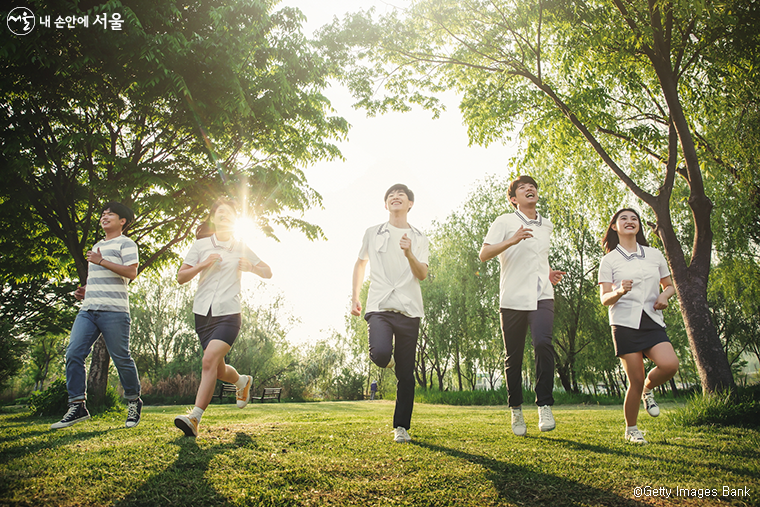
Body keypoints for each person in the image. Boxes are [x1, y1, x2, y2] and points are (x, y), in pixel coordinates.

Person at [173, 198, 272, 437]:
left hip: (229, 314)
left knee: (208, 361)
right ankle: (241, 382)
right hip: (203, 315)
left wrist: (252, 268)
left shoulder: (241, 246)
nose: (224, 216)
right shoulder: (200, 245)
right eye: (219, 213)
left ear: (235, 219)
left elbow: (268, 271)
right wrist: (202, 265)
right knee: (216, 369)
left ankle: (194, 418)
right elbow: (181, 276)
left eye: (228, 213)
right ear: (213, 219)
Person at [479, 176, 565, 437]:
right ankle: (516, 409)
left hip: (541, 294)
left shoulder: (546, 225)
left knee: (543, 343)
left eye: (533, 186)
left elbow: (539, 256)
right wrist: (512, 240)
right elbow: (484, 254)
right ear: (513, 198)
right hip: (513, 298)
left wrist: (548, 273)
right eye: (522, 188)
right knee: (513, 357)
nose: (530, 189)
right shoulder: (504, 221)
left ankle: (544, 405)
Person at [52, 202, 143, 429]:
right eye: (103, 213)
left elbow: (132, 272)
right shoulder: (97, 245)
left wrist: (101, 260)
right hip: (88, 310)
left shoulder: (126, 243)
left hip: (114, 311)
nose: (104, 216)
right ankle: (77, 405)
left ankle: (133, 401)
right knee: (73, 353)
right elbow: (99, 276)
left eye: (110, 214)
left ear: (122, 221)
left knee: (121, 358)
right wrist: (84, 291)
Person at [351, 184, 429, 443]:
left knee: (406, 375)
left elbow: (422, 274)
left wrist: (408, 253)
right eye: (390, 196)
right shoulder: (373, 233)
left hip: (409, 308)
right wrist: (355, 297)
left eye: (401, 195)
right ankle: (391, 360)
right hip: (379, 305)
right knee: (381, 353)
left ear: (410, 204)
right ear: (386, 205)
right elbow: (361, 263)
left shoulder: (419, 237)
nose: (395, 197)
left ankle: (401, 427)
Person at [598, 208, 679, 444]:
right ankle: (631, 429)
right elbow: (604, 299)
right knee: (634, 379)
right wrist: (619, 291)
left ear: (639, 226)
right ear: (614, 227)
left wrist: (665, 296)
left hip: (652, 320)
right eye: (623, 218)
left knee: (670, 365)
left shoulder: (654, 254)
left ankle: (648, 389)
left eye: (634, 218)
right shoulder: (609, 260)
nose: (630, 221)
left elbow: (669, 285)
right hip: (624, 323)